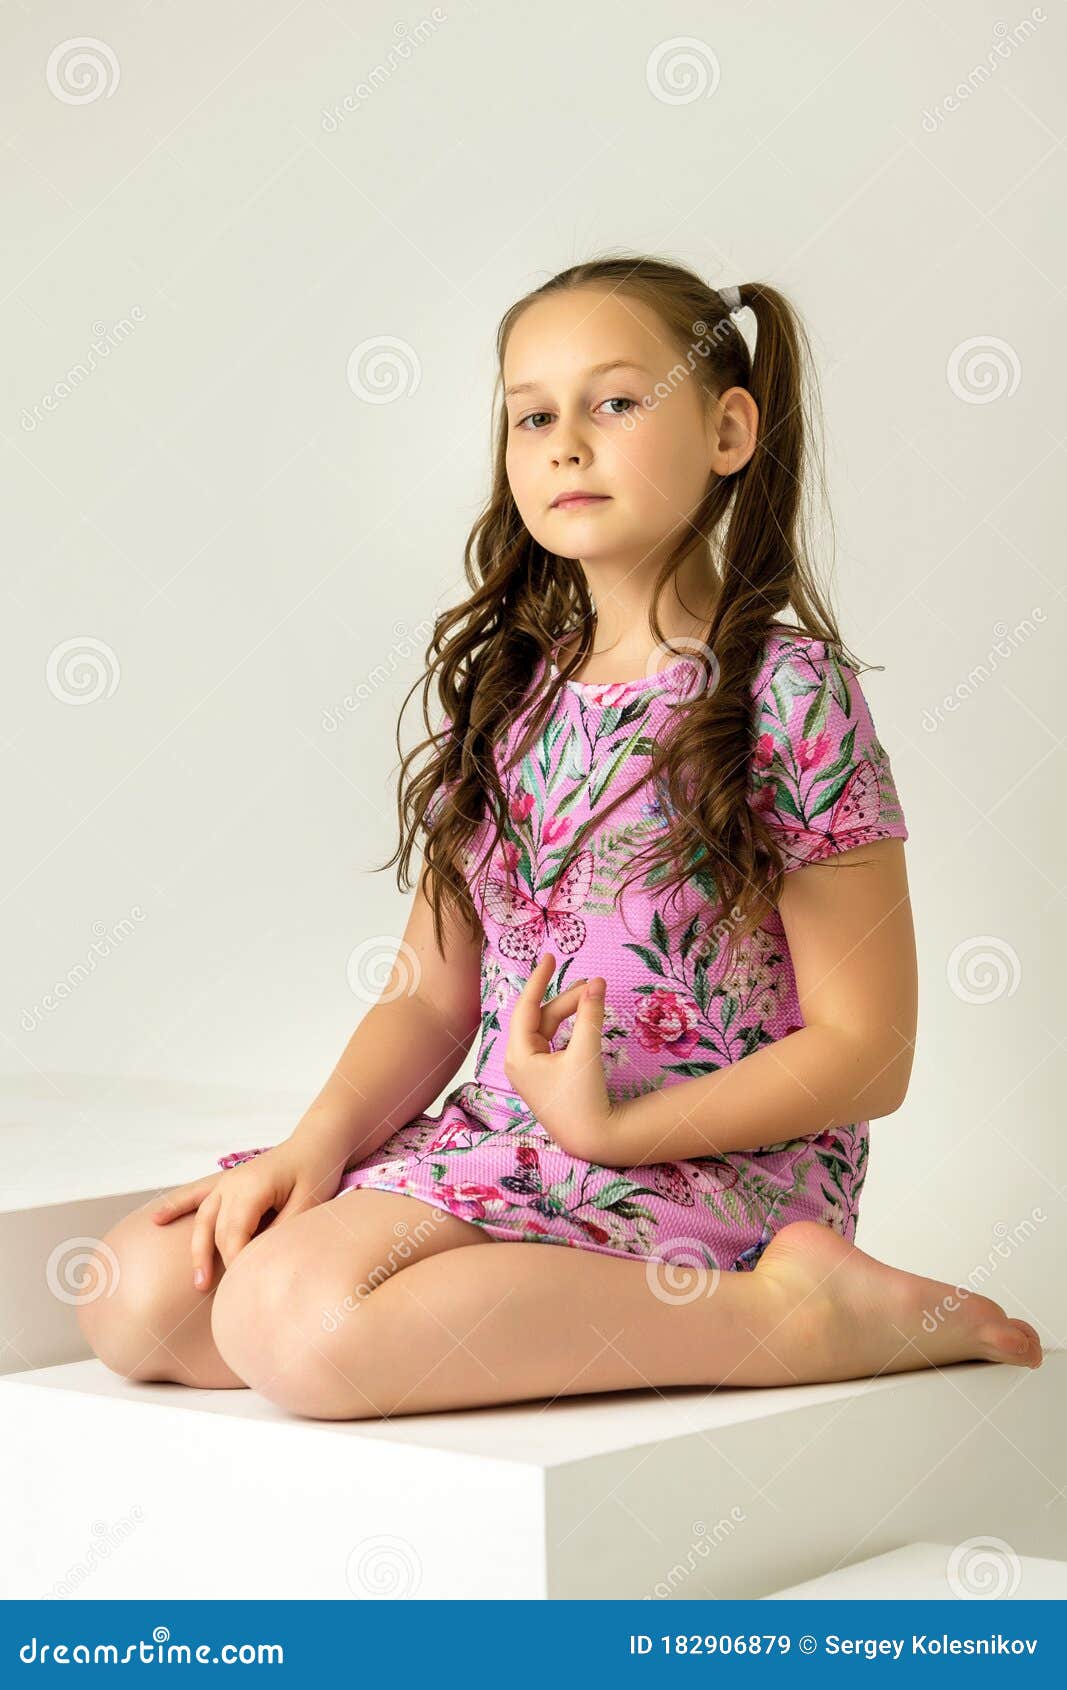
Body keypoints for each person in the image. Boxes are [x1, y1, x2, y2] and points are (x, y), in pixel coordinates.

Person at [78, 256, 1043, 1419]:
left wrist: (616, 1124)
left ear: (729, 429)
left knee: (297, 1321)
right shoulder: (502, 697)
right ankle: (453, 1281)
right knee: (136, 1294)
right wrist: (314, 1147)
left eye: (615, 402)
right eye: (531, 413)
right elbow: (431, 1000)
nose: (564, 443)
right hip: (511, 1136)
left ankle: (795, 1312)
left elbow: (867, 1052)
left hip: (715, 1166)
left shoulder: (788, 695)